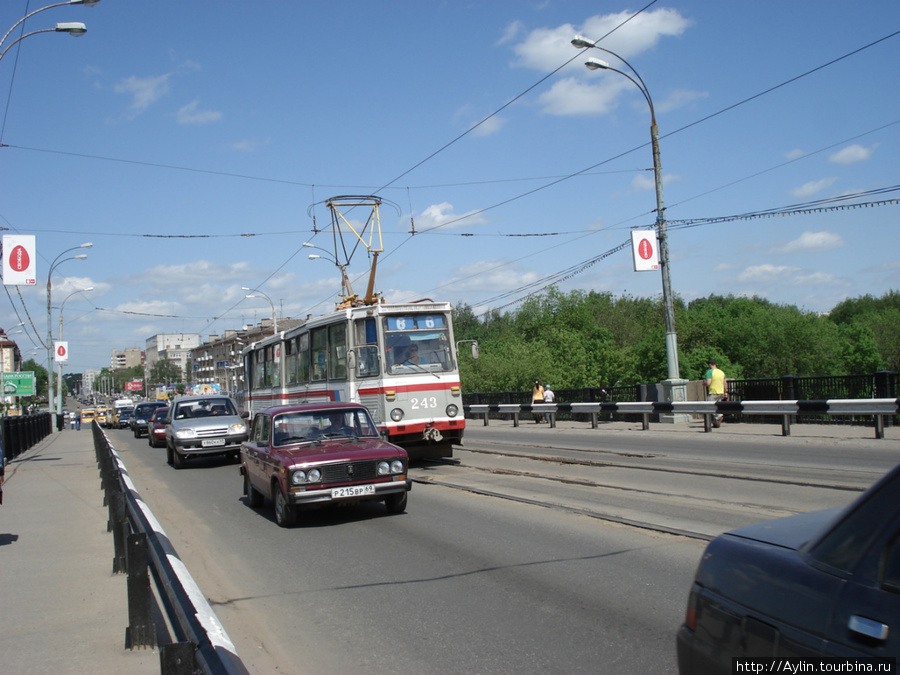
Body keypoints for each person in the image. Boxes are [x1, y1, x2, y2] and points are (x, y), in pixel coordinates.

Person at [704, 359, 726, 427]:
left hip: (713, 392)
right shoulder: (721, 372)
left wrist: (704, 384)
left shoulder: (710, 372)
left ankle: (718, 417)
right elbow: (725, 383)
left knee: (709, 407)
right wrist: (725, 392)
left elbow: (708, 383)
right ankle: (716, 421)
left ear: (710, 364)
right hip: (721, 392)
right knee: (717, 407)